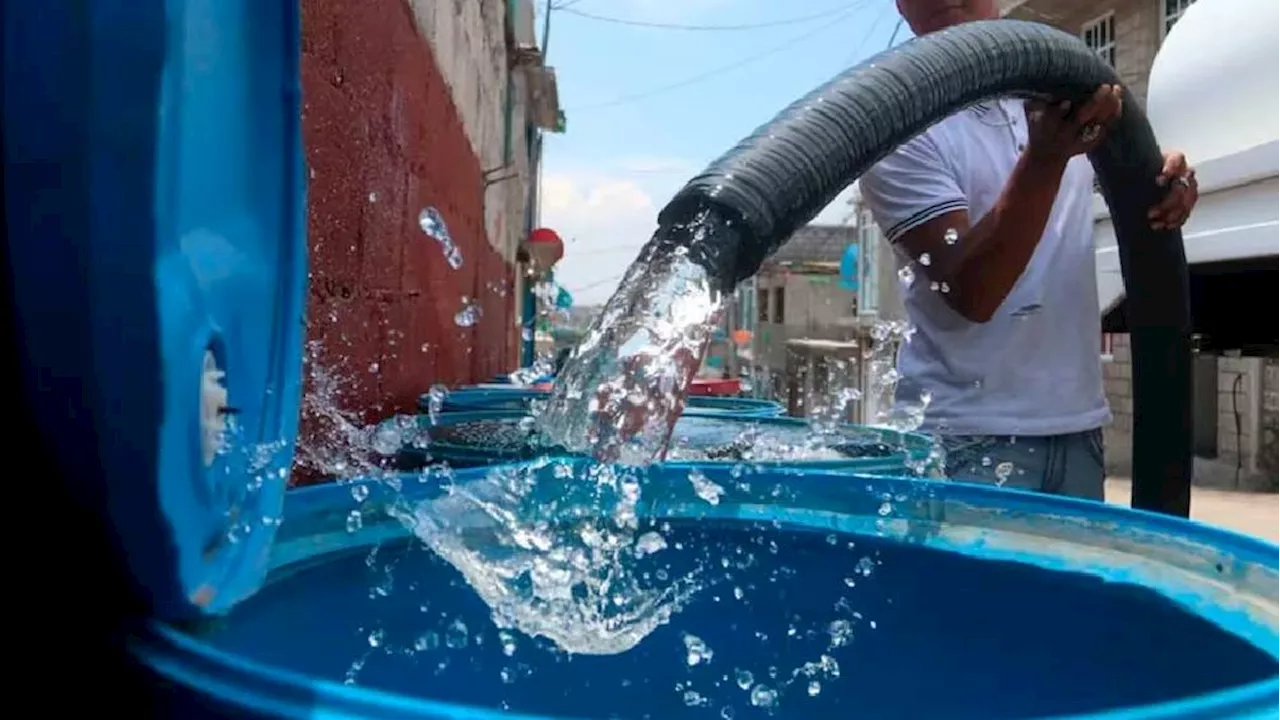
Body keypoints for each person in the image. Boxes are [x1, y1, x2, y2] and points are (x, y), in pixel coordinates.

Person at [858, 0, 1200, 500]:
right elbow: (973, 289)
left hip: (1077, 428)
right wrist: (1046, 157)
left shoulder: (1056, 90)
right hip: (964, 439)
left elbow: (1127, 180)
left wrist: (1164, 182)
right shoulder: (895, 125)